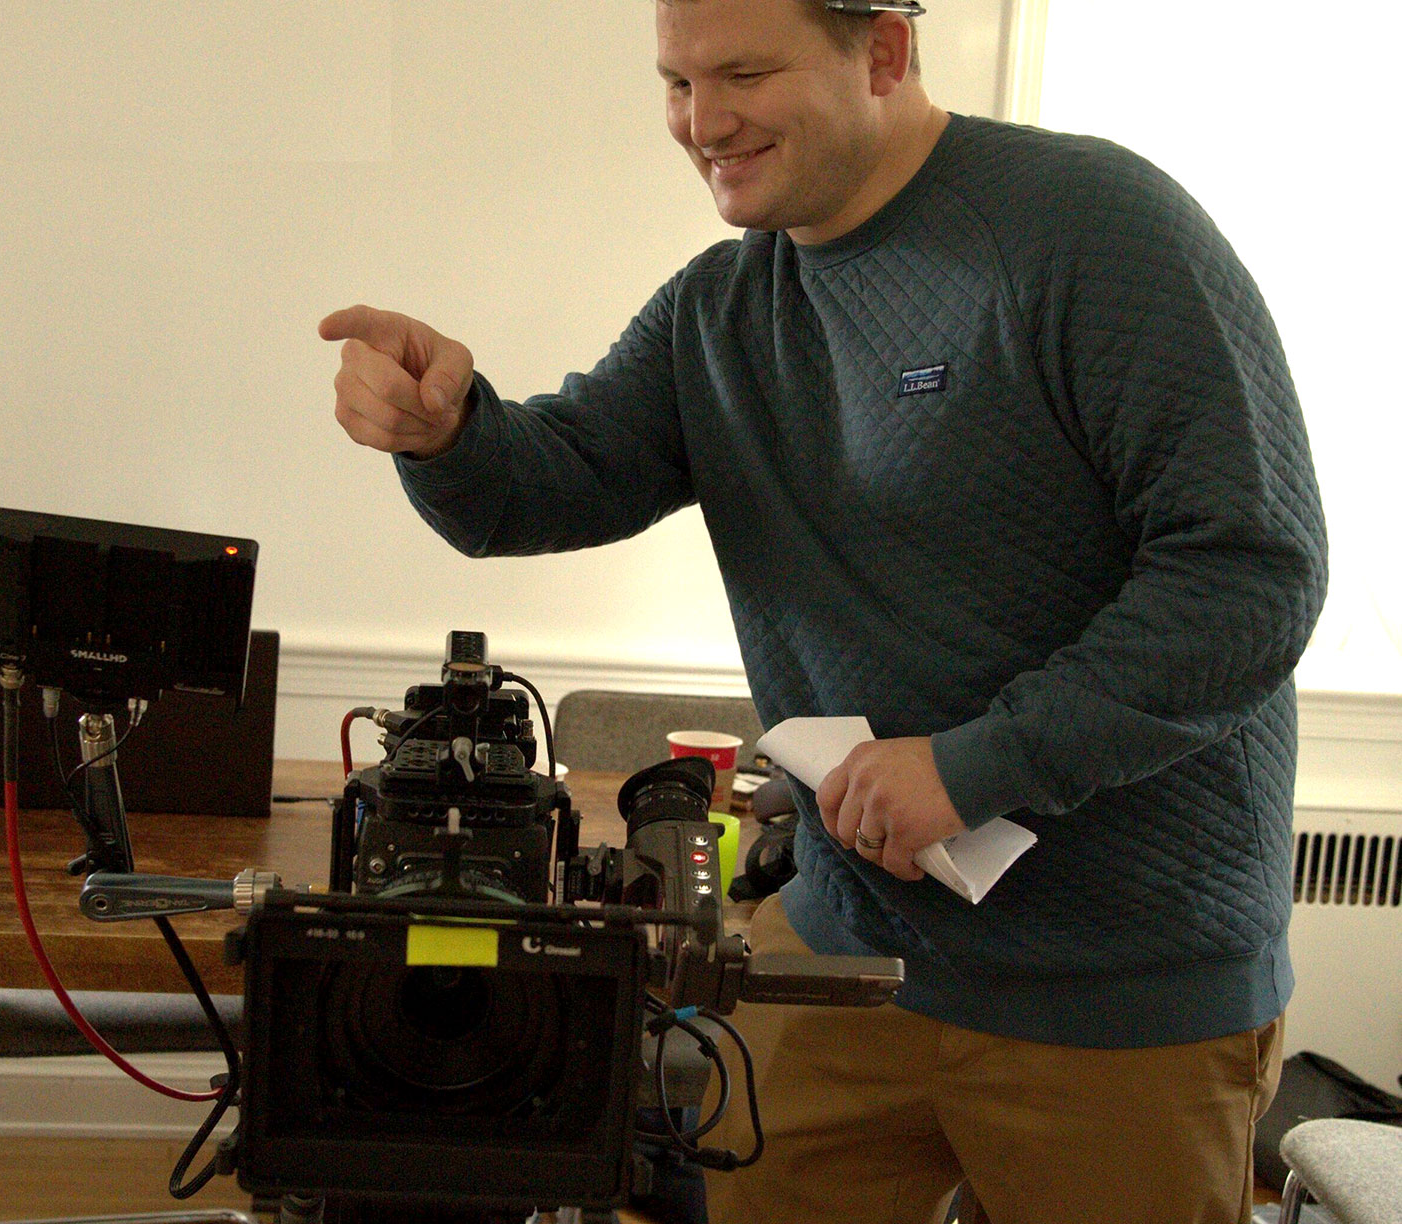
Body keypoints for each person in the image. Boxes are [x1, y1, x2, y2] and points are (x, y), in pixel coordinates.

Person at [319, 0, 1328, 1220]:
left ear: (886, 53)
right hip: (845, 956)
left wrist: (976, 766)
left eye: (743, 73)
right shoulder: (723, 310)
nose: (702, 122)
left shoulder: (1096, 230)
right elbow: (556, 476)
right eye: (677, 83)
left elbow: (1249, 576)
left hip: (1119, 989)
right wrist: (451, 430)